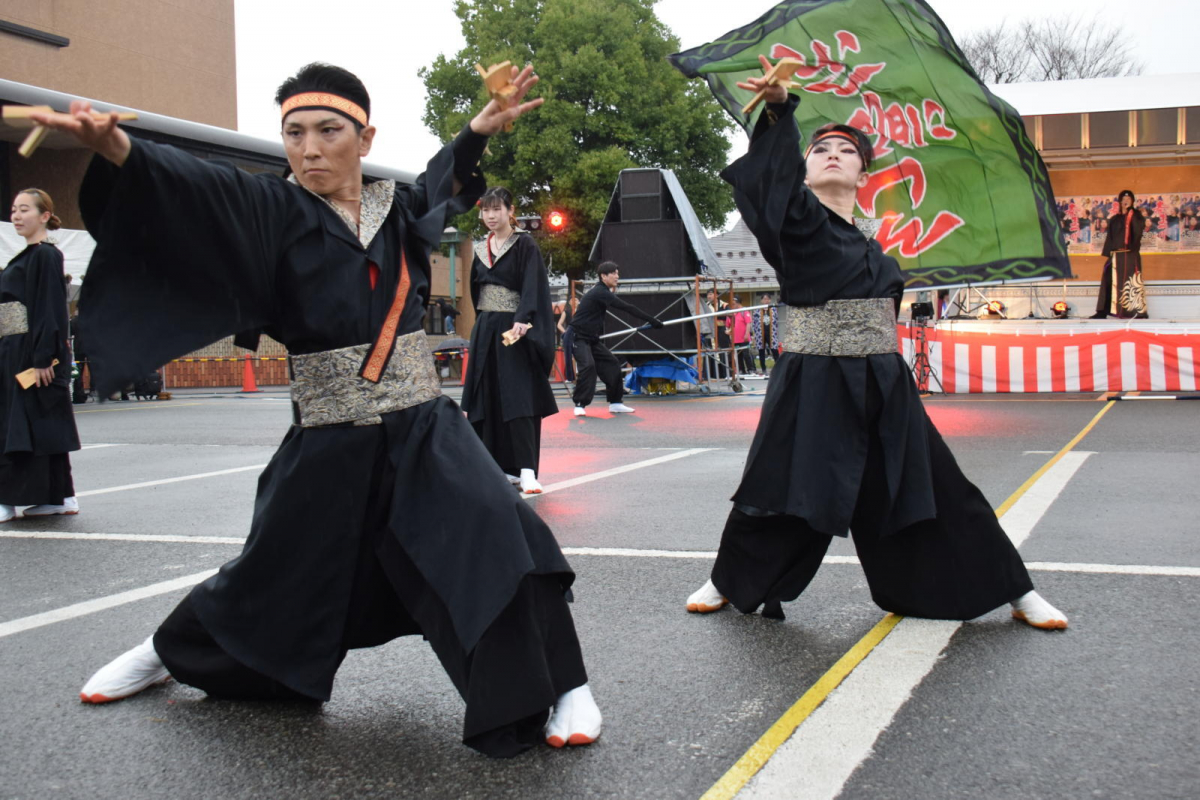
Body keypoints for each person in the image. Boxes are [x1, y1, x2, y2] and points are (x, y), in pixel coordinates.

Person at [48, 61, 601, 756]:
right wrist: (119, 151)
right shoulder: (273, 210)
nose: (309, 148)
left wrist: (478, 129)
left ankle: (568, 685)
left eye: (328, 131)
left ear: (364, 137)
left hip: (422, 427)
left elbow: (442, 179)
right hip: (327, 434)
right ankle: (168, 651)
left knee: (499, 533)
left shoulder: (395, 209)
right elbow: (203, 186)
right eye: (293, 133)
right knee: (269, 575)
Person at [685, 56, 1068, 632]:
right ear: (805, 173)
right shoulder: (797, 224)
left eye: (846, 150)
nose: (832, 153)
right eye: (819, 150)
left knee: (934, 486)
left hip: (883, 382)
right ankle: (728, 580)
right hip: (812, 379)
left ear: (864, 173)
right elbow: (771, 182)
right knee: (782, 486)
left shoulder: (875, 246)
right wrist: (781, 111)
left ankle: (1014, 588)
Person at [460, 186, 557, 495]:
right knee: (484, 396)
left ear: (510, 211)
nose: (491, 215)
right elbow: (477, 294)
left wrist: (523, 320)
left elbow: (533, 286)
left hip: (515, 330)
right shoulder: (479, 248)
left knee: (519, 397)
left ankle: (526, 471)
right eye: (485, 210)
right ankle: (496, 468)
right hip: (485, 328)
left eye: (497, 209)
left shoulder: (524, 245)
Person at [0, 189, 82, 521]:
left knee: (21, 422)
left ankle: (8, 500)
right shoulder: (27, 256)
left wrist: (44, 357)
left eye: (25, 210)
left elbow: (50, 308)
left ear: (45, 215)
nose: (17, 216)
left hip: (27, 354)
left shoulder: (46, 256)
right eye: (14, 210)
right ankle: (59, 496)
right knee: (37, 422)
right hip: (13, 349)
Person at [567, 261, 662, 417]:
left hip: (591, 339)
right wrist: (652, 320)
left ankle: (616, 403)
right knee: (588, 367)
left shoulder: (602, 291)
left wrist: (651, 321)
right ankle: (579, 403)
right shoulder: (600, 292)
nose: (617, 276)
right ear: (603, 276)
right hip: (577, 337)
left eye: (618, 273)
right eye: (614, 273)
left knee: (612, 364)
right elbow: (626, 307)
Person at [1092, 189, 1148, 319]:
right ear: (1120, 202)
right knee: (1108, 279)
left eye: (1129, 200)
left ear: (1132, 201)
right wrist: (1109, 253)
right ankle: (1102, 311)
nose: (1126, 201)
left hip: (1129, 255)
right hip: (1116, 255)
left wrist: (1131, 213)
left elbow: (1138, 231)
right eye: (1123, 199)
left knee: (1129, 282)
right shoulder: (1115, 219)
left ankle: (1133, 311)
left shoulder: (1137, 216)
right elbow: (1111, 237)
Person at [751, 293, 776, 376]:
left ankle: (778, 368)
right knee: (761, 351)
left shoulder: (773, 309)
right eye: (764, 299)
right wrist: (754, 335)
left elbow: (776, 322)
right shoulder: (757, 309)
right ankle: (763, 369)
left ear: (770, 300)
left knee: (774, 350)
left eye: (768, 299)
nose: (766, 301)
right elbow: (754, 323)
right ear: (761, 300)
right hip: (760, 333)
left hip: (771, 333)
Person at [728, 296, 754, 376]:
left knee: (746, 354)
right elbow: (729, 324)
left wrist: (747, 334)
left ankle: (751, 369)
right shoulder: (732, 313)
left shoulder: (744, 311)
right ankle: (742, 369)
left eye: (734, 304)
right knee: (738, 355)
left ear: (738, 303)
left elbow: (748, 323)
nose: (733, 305)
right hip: (735, 338)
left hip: (744, 338)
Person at [558, 295, 578, 382]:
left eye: (577, 300)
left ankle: (579, 375)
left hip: (579, 335)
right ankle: (570, 377)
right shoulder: (566, 312)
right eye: (573, 300)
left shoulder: (581, 311)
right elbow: (559, 324)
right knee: (569, 357)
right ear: (570, 302)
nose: (575, 302)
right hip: (570, 335)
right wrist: (565, 332)